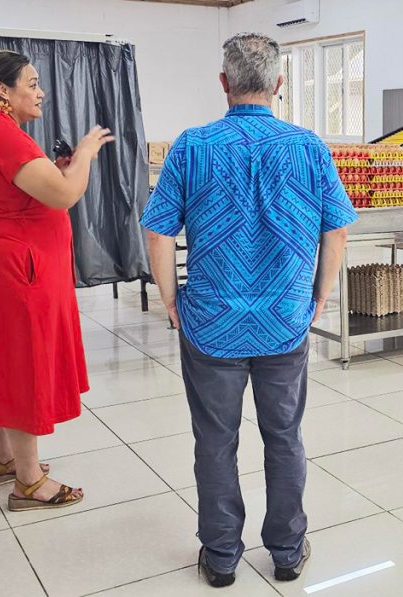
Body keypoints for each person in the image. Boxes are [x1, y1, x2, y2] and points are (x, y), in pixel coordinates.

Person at [141, 33, 356, 588]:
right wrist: (321, 294)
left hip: (211, 322)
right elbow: (337, 228)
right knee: (284, 436)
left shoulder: (192, 146)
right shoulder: (309, 147)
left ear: (224, 84)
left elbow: (158, 232)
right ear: (279, 84)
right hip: (285, 319)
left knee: (215, 440)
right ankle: (286, 550)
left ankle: (220, 556)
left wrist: (170, 299)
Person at [0, 50, 114, 510]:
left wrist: (60, 170)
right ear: (3, 91)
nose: (40, 92)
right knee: (23, 364)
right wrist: (84, 153)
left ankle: (1, 459)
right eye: (31, 82)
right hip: (17, 268)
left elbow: (36, 190)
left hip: (2, 262)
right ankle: (28, 482)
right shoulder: (4, 137)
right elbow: (64, 195)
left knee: (5, 358)